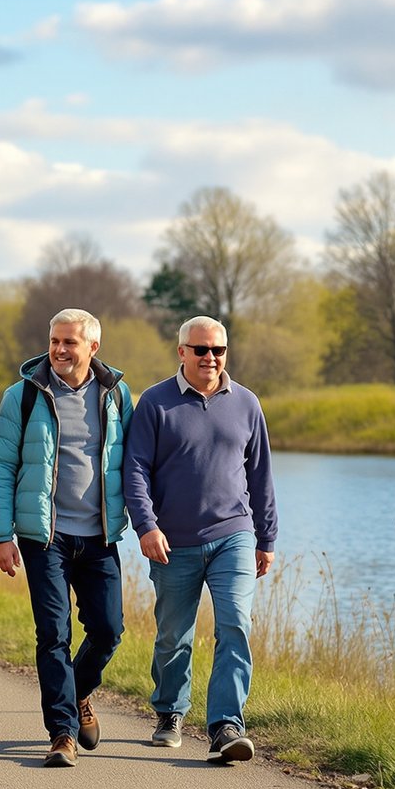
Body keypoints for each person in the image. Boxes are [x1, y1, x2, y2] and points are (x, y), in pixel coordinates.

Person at [0, 308, 135, 768]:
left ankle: (78, 691)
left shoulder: (116, 394)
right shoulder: (24, 395)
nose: (60, 350)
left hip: (100, 536)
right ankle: (62, 733)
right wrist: (0, 534)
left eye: (70, 342)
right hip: (44, 537)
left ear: (93, 347)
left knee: (108, 631)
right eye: (55, 341)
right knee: (53, 634)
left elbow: (134, 463)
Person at [124, 316, 278, 764]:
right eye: (201, 350)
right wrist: (146, 526)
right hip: (173, 541)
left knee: (235, 624)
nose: (211, 357)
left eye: (218, 350)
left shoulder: (246, 403)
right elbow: (135, 470)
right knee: (174, 635)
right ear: (182, 352)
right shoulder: (155, 403)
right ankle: (170, 711)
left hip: (234, 534)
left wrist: (266, 538)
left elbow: (261, 476)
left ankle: (226, 725)